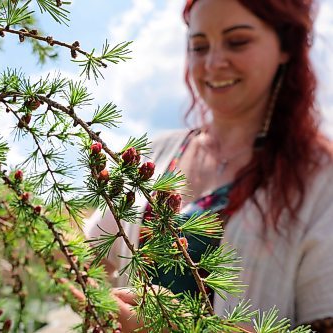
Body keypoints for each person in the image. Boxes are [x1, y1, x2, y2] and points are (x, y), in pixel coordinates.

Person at [84, 0, 333, 331]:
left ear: (285, 45)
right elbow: (89, 259)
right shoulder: (157, 154)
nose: (214, 62)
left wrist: (175, 328)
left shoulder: (321, 179)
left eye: (237, 41)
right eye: (199, 46)